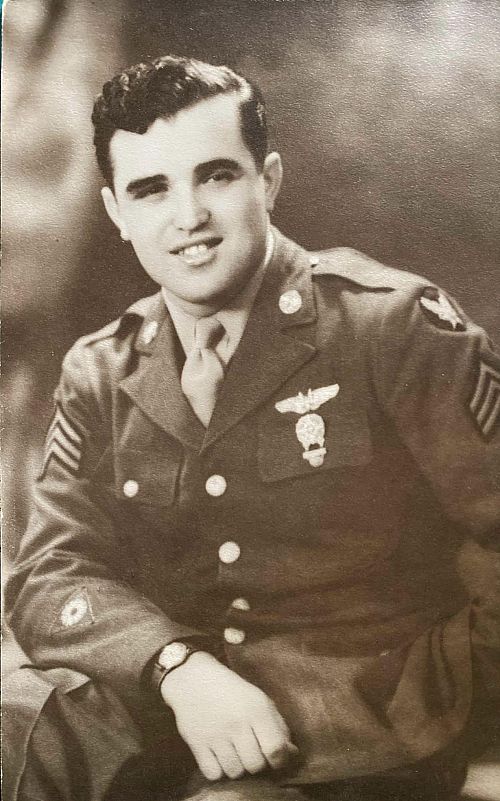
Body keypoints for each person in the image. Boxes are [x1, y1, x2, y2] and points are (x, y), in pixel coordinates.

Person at [3, 54, 500, 801]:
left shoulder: (391, 327)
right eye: (150, 189)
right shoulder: (101, 369)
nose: (188, 217)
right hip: (163, 705)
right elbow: (50, 572)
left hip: (353, 729)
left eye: (216, 176)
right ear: (116, 213)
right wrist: (176, 667)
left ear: (267, 181)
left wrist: (437, 705)